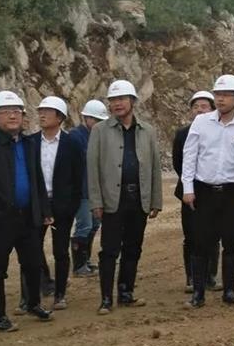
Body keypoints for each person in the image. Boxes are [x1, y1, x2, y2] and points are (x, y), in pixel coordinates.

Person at [0, 91, 53, 332]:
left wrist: (44, 210)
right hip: (0, 221)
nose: (12, 116)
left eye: (17, 111)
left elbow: (37, 179)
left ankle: (33, 303)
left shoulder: (30, 144)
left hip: (28, 217)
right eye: (6, 111)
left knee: (32, 264)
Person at [88, 80, 163, 315]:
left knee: (133, 248)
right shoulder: (100, 131)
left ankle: (126, 292)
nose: (117, 104)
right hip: (113, 200)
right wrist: (96, 201)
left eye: (121, 99)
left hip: (138, 199)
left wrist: (156, 200)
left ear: (132, 101)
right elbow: (92, 168)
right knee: (109, 250)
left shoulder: (147, 131)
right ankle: (106, 298)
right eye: (113, 100)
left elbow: (155, 167)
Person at [181, 75, 234, 308]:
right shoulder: (201, 122)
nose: (221, 99)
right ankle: (198, 293)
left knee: (231, 243)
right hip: (204, 190)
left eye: (226, 95)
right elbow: (189, 156)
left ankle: (230, 291)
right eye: (218, 95)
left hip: (232, 192)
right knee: (201, 243)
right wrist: (188, 188)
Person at [29, 96, 83, 311]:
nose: (42, 115)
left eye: (47, 112)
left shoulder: (71, 144)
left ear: (59, 118)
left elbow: (78, 178)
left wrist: (71, 207)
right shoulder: (31, 142)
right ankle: (36, 292)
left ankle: (60, 294)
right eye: (40, 111)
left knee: (60, 251)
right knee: (32, 248)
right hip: (37, 204)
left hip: (62, 206)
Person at [172, 90, 222, 293]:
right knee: (191, 236)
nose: (199, 110)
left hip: (215, 192)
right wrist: (190, 184)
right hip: (189, 192)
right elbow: (178, 163)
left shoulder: (220, 131)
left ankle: (210, 276)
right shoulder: (182, 134)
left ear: (212, 109)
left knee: (214, 234)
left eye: (204, 106)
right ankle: (192, 278)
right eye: (195, 107)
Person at [69, 100, 109, 277]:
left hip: (95, 191)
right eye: (96, 120)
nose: (98, 123)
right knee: (84, 226)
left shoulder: (98, 137)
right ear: (86, 118)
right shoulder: (75, 137)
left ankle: (85, 261)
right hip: (82, 191)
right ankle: (78, 266)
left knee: (94, 225)